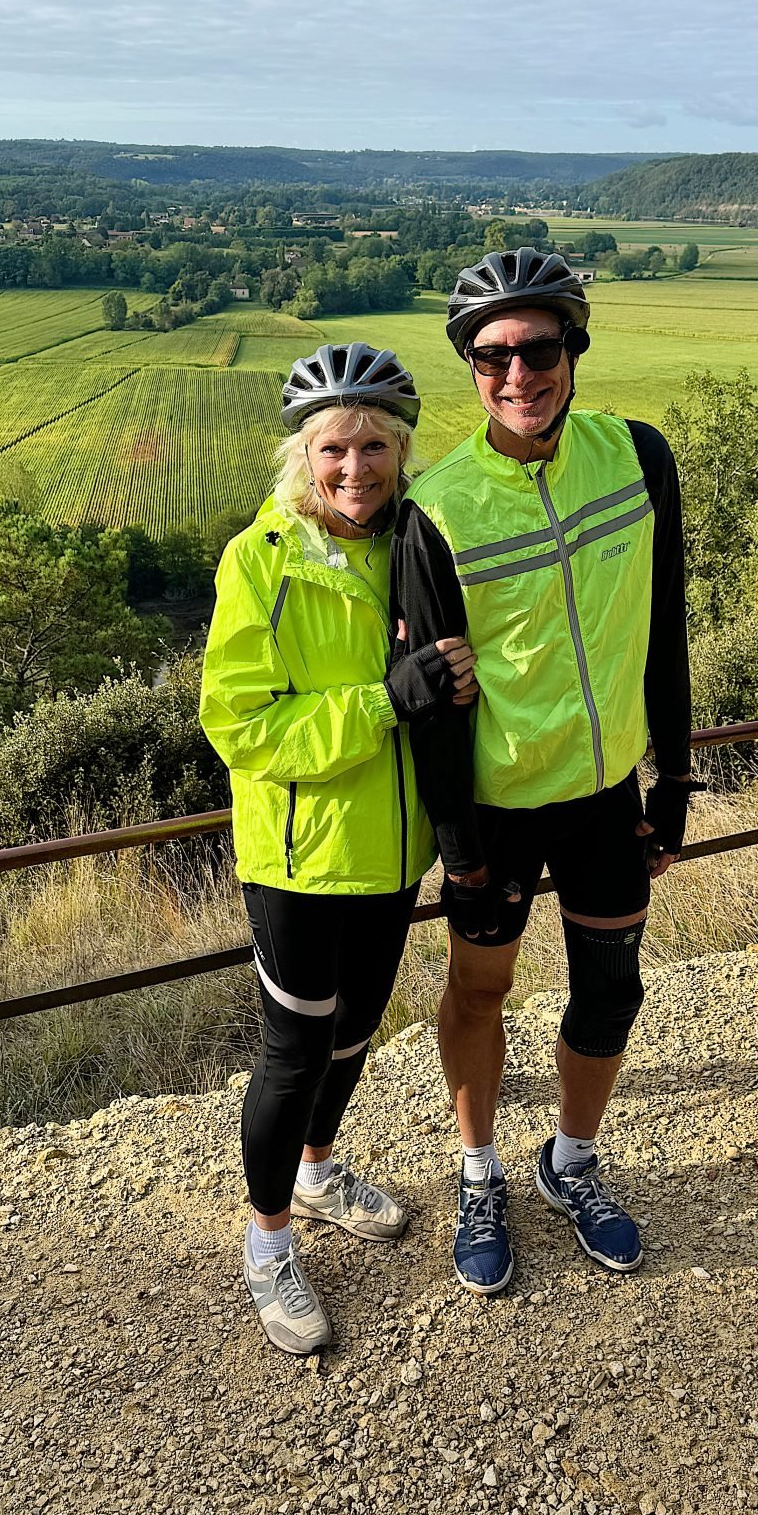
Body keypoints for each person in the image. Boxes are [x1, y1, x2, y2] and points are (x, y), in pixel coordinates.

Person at [391, 248, 693, 1294]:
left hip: (608, 793)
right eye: (492, 356)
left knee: (612, 990)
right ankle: (480, 1171)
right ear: (469, 367)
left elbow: (667, 636)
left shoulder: (639, 458)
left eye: (539, 346)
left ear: (576, 346)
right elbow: (430, 697)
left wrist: (676, 784)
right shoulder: (436, 507)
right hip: (499, 809)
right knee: (481, 991)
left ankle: (569, 1161)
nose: (518, 373)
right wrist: (459, 844)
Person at [200, 342, 477, 1353]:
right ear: (301, 456)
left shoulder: (416, 544)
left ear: (400, 451)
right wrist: (382, 701)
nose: (353, 468)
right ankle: (267, 1241)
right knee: (292, 1050)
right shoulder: (260, 559)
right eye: (333, 449)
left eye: (372, 446)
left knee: (356, 1031)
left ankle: (316, 1169)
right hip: (298, 858)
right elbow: (242, 725)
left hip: (394, 852)